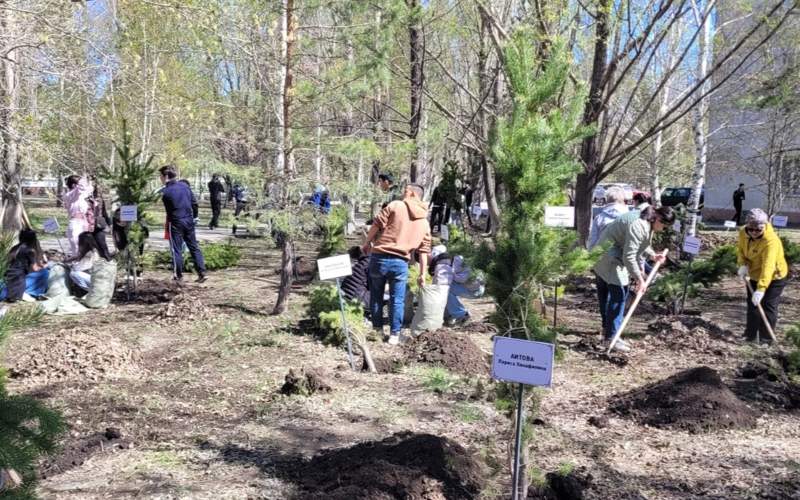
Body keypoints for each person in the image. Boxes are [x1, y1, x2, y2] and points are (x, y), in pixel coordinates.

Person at [593, 206, 675, 352]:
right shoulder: (639, 224)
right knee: (619, 295)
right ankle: (611, 338)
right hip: (609, 258)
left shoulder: (646, 217)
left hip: (608, 255)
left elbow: (641, 243)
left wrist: (652, 255)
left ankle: (608, 332)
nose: (663, 229)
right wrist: (639, 279)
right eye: (664, 226)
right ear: (658, 218)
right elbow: (629, 256)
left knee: (611, 293)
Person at [362, 183, 432, 345]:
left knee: (376, 296)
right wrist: (422, 273)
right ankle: (394, 335)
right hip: (400, 263)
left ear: (414, 194)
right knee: (397, 300)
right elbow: (424, 251)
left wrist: (366, 243)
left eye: (405, 191)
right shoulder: (424, 223)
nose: (402, 193)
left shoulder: (396, 205)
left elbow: (377, 224)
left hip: (379, 258)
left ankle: (377, 330)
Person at [736, 208, 788, 343]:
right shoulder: (743, 232)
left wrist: (761, 289)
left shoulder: (771, 241)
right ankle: (750, 335)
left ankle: (766, 339)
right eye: (751, 229)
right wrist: (743, 264)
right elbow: (741, 250)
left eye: (758, 230)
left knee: (768, 305)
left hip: (774, 276)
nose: (754, 232)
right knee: (752, 305)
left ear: (764, 226)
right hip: (754, 274)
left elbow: (768, 266)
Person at [159, 165, 207, 283]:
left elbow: (169, 211)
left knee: (176, 249)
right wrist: (195, 216)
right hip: (189, 220)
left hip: (175, 222)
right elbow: (194, 203)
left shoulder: (166, 192)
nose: (159, 178)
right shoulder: (185, 186)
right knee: (194, 246)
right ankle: (202, 272)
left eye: (160, 176)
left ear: (165, 176)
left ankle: (178, 275)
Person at [2, 229, 48, 302]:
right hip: (19, 278)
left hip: (8, 276)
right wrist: (44, 265)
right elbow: (35, 268)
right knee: (45, 272)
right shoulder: (30, 251)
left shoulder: (14, 248)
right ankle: (32, 292)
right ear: (33, 240)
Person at [62, 175, 93, 257]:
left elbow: (89, 189)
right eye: (78, 183)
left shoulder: (80, 195)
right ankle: (77, 264)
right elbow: (81, 188)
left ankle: (84, 265)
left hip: (83, 222)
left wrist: (89, 180)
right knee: (76, 246)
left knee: (86, 246)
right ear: (73, 185)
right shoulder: (70, 195)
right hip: (75, 223)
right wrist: (83, 178)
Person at [91, 184, 112, 260]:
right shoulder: (84, 200)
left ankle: (108, 260)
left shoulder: (100, 200)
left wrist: (109, 224)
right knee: (92, 247)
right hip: (88, 225)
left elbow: (104, 212)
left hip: (98, 226)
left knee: (102, 245)